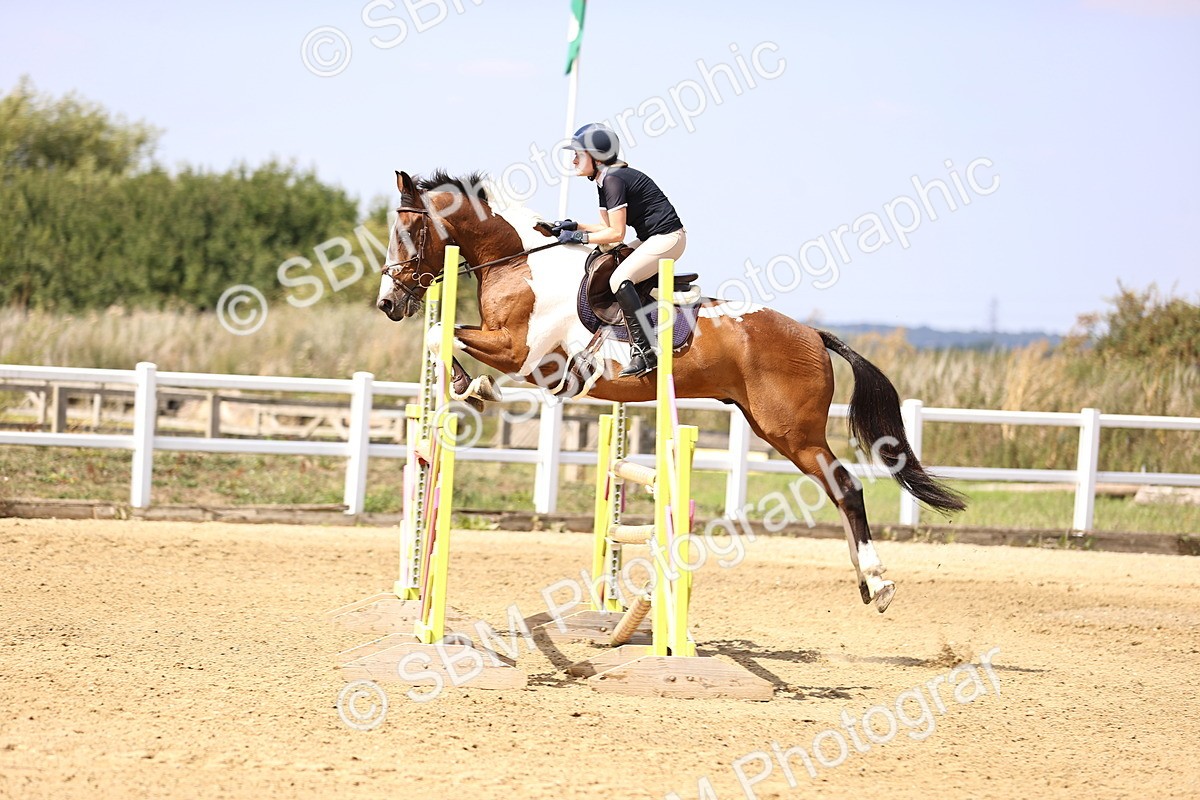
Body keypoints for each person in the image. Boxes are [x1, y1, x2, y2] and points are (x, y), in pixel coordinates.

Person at [551, 123, 686, 377]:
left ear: (596, 157)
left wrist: (578, 237)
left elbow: (616, 234)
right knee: (610, 260)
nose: (573, 161)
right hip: (653, 239)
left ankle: (644, 351)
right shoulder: (604, 180)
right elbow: (606, 226)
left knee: (620, 278)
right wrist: (575, 225)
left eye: (578, 154)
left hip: (668, 238)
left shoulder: (613, 179)